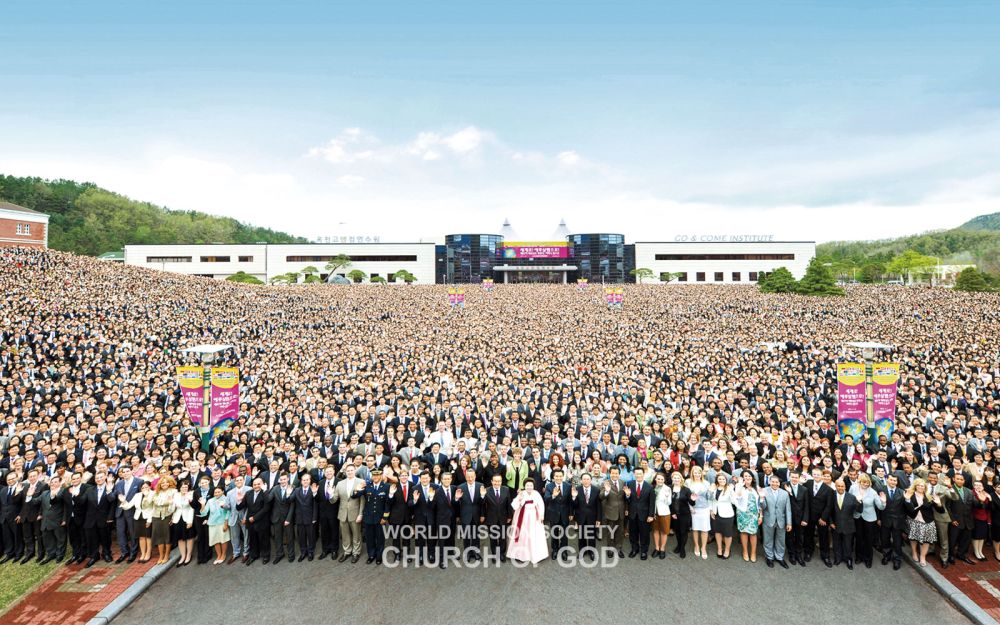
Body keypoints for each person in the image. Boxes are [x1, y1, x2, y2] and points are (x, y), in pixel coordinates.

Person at [507, 478, 547, 564]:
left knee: (534, 534)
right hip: (522, 516)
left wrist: (541, 514)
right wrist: (519, 498)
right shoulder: (521, 493)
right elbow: (514, 506)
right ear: (524, 486)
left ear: (533, 486)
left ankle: (535, 554)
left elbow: (541, 504)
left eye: (531, 485)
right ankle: (520, 554)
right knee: (522, 534)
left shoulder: (536, 494)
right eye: (527, 485)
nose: (529, 487)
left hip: (534, 516)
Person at [332, 463, 365, 563]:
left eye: (351, 470)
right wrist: (329, 494)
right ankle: (347, 551)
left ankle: (356, 552)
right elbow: (334, 500)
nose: (350, 472)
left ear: (355, 471)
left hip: (355, 512)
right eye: (348, 470)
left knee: (356, 534)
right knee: (345, 534)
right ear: (345, 472)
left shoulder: (361, 482)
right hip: (342, 513)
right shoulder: (340, 483)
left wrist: (361, 514)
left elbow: (363, 500)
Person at [848, 472, 883, 568]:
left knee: (868, 539)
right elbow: (849, 500)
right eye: (863, 482)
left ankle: (868, 559)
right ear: (860, 481)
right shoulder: (853, 488)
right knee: (858, 538)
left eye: (867, 483)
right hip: (857, 516)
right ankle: (859, 557)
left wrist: (883, 501)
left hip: (870, 518)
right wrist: (855, 502)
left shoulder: (873, 492)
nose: (866, 484)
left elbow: (880, 507)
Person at [238, 476, 272, 565]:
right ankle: (254, 555)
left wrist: (255, 517)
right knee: (253, 540)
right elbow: (240, 507)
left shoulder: (265, 493)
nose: (256, 486)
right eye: (254, 484)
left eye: (258, 484)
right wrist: (239, 500)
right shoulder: (248, 493)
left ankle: (266, 556)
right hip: (251, 522)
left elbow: (267, 507)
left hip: (262, 521)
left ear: (262, 484)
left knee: (264, 540)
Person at [83, 472, 115, 567]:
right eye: (97, 478)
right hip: (91, 519)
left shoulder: (110, 488)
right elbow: (82, 502)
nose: (99, 479)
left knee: (105, 538)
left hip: (104, 518)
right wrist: (76, 496)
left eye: (101, 477)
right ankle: (94, 555)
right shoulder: (89, 490)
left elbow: (112, 503)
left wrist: (110, 517)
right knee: (92, 538)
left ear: (105, 477)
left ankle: (106, 554)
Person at [760, 474, 792, 568]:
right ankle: (769, 557)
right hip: (768, 519)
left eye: (776, 482)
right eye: (772, 481)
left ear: (779, 483)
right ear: (769, 482)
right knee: (768, 540)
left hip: (781, 520)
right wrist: (761, 499)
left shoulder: (784, 493)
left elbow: (788, 509)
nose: (774, 483)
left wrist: (789, 522)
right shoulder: (764, 491)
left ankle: (780, 557)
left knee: (781, 540)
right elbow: (763, 507)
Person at [118, 480, 155, 563]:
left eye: (146, 487)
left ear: (149, 487)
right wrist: (123, 501)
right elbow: (128, 506)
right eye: (142, 487)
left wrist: (150, 520)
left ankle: (148, 553)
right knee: (141, 537)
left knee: (148, 537)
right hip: (138, 518)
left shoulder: (153, 494)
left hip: (148, 518)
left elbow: (154, 508)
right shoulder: (137, 495)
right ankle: (143, 554)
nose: (144, 488)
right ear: (140, 488)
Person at [112, 464, 142, 563]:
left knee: (132, 532)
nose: (125, 473)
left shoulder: (139, 482)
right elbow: (115, 496)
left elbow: (141, 497)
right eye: (123, 472)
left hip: (132, 511)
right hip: (120, 512)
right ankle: (124, 552)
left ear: (132, 471)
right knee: (120, 533)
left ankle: (133, 552)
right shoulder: (119, 483)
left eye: (127, 471)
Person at [905, 478, 937, 567]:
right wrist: (907, 500)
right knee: (914, 538)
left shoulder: (929, 496)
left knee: (926, 540)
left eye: (922, 485)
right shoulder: (910, 495)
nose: (920, 487)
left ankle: (923, 557)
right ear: (915, 486)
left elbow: (939, 510)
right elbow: (909, 509)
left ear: (925, 487)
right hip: (914, 520)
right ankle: (914, 552)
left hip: (927, 521)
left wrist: (939, 504)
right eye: (918, 485)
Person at [39, 474, 71, 564]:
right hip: (46, 520)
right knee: (48, 538)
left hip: (58, 519)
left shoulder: (63, 491)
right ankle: (51, 554)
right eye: (51, 482)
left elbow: (66, 507)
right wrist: (29, 496)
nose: (53, 483)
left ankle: (60, 555)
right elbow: (38, 503)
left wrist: (64, 519)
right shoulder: (45, 493)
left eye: (56, 482)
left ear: (60, 483)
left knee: (60, 538)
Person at [623, 466, 654, 560]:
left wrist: (651, 515)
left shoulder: (649, 487)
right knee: (633, 533)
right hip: (632, 514)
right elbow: (626, 500)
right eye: (636, 474)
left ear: (643, 474)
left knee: (644, 534)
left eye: (640, 474)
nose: (638, 475)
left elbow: (652, 503)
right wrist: (627, 495)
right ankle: (634, 549)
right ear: (634, 474)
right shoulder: (630, 484)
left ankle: (644, 551)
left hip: (644, 515)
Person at [361, 468, 390, 564]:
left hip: (380, 517)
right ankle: (371, 555)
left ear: (381, 476)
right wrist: (358, 488)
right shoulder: (367, 486)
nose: (376, 477)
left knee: (380, 538)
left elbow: (387, 504)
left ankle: (379, 556)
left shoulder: (386, 487)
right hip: (368, 516)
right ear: (372, 476)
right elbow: (355, 495)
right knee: (369, 538)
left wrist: (385, 517)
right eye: (374, 475)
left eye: (378, 475)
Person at [481, 473, 512, 562]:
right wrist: (482, 496)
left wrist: (510, 516)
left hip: (503, 517)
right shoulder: (486, 490)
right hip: (491, 518)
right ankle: (494, 554)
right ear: (491, 481)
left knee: (503, 537)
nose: (497, 483)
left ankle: (502, 553)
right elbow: (482, 504)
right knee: (493, 537)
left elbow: (508, 504)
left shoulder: (506, 489)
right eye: (495, 481)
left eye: (499, 481)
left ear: (501, 482)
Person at [455, 468, 484, 561]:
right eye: (468, 477)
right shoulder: (460, 487)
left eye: (472, 477)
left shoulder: (481, 486)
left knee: (476, 536)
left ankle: (476, 552)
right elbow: (457, 504)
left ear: (475, 476)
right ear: (465, 477)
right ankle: (467, 553)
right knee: (466, 536)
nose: (470, 479)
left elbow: (483, 503)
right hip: (465, 515)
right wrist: (456, 498)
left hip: (477, 514)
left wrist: (482, 515)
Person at [946, 473, 975, 565]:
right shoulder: (949, 490)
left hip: (968, 521)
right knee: (952, 539)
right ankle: (950, 555)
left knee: (966, 539)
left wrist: (981, 500)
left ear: (964, 481)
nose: (960, 481)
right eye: (958, 479)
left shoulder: (969, 491)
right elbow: (947, 507)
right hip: (955, 521)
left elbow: (974, 504)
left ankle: (961, 554)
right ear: (953, 479)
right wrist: (952, 519)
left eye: (961, 479)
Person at [880, 473, 907, 570]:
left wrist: (907, 499)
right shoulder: (881, 490)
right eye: (891, 480)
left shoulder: (902, 492)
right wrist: (878, 519)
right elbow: (878, 507)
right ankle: (886, 556)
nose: (893, 482)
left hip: (898, 521)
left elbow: (906, 508)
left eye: (895, 481)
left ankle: (897, 559)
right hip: (885, 519)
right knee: (885, 540)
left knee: (897, 542)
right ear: (887, 480)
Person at [543, 468, 572, 561]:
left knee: (564, 534)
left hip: (565, 513)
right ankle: (555, 550)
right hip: (553, 513)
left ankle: (564, 551)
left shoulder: (568, 486)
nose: (558, 478)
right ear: (553, 477)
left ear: (563, 476)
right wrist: (553, 495)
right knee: (554, 533)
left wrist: (571, 513)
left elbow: (570, 502)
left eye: (560, 476)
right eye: (556, 476)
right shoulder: (549, 486)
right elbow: (546, 499)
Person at [573, 472, 602, 560]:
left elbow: (599, 506)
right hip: (580, 517)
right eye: (584, 479)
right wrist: (574, 498)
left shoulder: (596, 490)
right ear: (581, 480)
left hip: (592, 517)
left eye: (588, 479)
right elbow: (574, 506)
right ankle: (582, 551)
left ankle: (591, 552)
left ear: (591, 480)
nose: (586, 481)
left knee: (591, 536)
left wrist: (598, 519)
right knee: (581, 536)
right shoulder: (577, 489)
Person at [830, 479, 859, 570]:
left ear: (845, 487)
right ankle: (838, 558)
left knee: (848, 544)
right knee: (836, 543)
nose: (840, 488)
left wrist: (860, 502)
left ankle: (848, 559)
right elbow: (828, 510)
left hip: (848, 525)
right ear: (835, 486)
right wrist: (831, 522)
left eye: (842, 486)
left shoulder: (852, 497)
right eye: (838, 486)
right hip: (835, 524)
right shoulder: (831, 496)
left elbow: (859, 510)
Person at [733, 471, 761, 562]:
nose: (748, 477)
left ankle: (753, 552)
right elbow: (737, 497)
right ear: (742, 478)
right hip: (742, 514)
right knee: (744, 532)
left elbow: (760, 503)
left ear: (752, 478)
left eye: (749, 476)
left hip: (753, 514)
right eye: (745, 476)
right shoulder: (738, 486)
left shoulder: (756, 488)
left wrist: (761, 515)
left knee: (753, 533)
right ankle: (745, 551)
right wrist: (740, 485)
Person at [599, 466, 626, 558]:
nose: (615, 475)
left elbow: (624, 498)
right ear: (609, 473)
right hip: (610, 512)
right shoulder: (605, 483)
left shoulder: (622, 482)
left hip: (621, 511)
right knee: (610, 531)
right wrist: (606, 491)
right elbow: (601, 496)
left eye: (616, 473)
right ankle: (610, 549)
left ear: (619, 474)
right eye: (613, 473)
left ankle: (619, 548)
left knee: (620, 531)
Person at [784, 470, 809, 566]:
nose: (794, 479)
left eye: (796, 477)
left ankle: (798, 554)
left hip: (800, 518)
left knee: (799, 537)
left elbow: (806, 505)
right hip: (788, 517)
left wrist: (805, 519)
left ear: (799, 479)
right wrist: (790, 493)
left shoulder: (804, 489)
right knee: (789, 537)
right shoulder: (784, 486)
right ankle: (791, 555)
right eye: (792, 477)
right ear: (789, 477)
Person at [269, 473, 296, 564]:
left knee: (289, 537)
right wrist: (265, 491)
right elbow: (268, 499)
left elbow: (292, 504)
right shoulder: (275, 488)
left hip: (288, 517)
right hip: (276, 517)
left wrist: (288, 519)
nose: (283, 481)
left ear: (288, 479)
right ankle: (279, 554)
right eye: (281, 479)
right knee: (277, 538)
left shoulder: (293, 488)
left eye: (284, 479)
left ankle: (291, 555)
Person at [686, 465, 711, 559]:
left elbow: (710, 497)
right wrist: (690, 507)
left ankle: (703, 547)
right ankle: (696, 545)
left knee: (705, 529)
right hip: (693, 508)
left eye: (699, 472)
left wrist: (710, 508)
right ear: (692, 473)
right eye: (695, 472)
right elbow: (686, 496)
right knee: (695, 528)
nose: (697, 474)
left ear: (701, 473)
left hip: (704, 508)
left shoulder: (706, 483)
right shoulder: (688, 482)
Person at [292, 473, 319, 561]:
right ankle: (303, 552)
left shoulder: (313, 490)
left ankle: (311, 552)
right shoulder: (296, 490)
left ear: (310, 481)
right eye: (304, 480)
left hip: (310, 517)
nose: (305, 481)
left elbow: (316, 504)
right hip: (299, 518)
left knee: (311, 536)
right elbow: (290, 501)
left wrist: (314, 517)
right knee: (301, 537)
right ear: (301, 481)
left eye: (307, 480)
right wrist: (288, 495)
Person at [225, 475, 251, 564]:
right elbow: (228, 506)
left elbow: (250, 506)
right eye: (237, 480)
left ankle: (246, 553)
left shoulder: (249, 490)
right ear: (234, 482)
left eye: (240, 480)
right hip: (233, 517)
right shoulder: (230, 493)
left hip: (244, 516)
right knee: (234, 537)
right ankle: (235, 553)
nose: (239, 481)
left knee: (246, 535)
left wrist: (245, 517)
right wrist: (223, 506)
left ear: (243, 481)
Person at [201, 485, 230, 564]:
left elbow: (228, 512)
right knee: (215, 540)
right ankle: (219, 555)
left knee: (223, 539)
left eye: (218, 492)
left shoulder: (226, 499)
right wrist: (203, 505)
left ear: (222, 491)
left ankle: (223, 555)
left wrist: (226, 523)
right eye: (215, 492)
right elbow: (203, 513)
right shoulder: (210, 501)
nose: (216, 493)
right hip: (212, 523)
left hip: (222, 522)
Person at [709, 471, 735, 559]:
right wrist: (711, 510)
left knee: (727, 534)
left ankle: (727, 550)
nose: (721, 480)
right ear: (717, 480)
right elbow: (711, 500)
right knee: (717, 532)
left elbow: (734, 501)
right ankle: (719, 549)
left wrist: (734, 492)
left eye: (723, 479)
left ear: (726, 480)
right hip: (716, 513)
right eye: (719, 479)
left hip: (727, 514)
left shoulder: (729, 488)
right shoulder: (714, 488)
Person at [171, 479, 195, 566]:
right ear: (179, 487)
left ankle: (188, 555)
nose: (184, 488)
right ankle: (183, 556)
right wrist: (171, 503)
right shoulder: (176, 495)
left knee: (189, 537)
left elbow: (192, 509)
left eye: (186, 487)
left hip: (187, 518)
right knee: (180, 538)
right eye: (182, 487)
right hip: (177, 518)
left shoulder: (191, 494)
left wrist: (190, 521)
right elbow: (172, 509)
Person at [971, 480, 992, 562]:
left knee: (982, 536)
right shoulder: (972, 493)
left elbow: (989, 508)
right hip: (975, 517)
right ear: (973, 486)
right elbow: (975, 506)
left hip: (984, 517)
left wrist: (989, 499)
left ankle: (980, 551)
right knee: (976, 536)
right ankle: (976, 551)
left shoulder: (985, 494)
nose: (978, 486)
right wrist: (980, 499)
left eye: (980, 485)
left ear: (983, 487)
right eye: (976, 485)